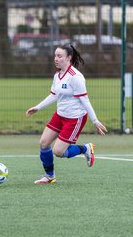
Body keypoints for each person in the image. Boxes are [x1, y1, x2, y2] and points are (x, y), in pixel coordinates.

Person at [25, 44, 108, 184]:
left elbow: (85, 100)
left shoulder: (76, 77)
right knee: (44, 143)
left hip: (75, 118)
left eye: (59, 56)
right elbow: (53, 95)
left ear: (68, 58)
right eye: (55, 56)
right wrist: (37, 107)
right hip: (60, 115)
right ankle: (49, 177)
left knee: (58, 152)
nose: (56, 59)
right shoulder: (57, 75)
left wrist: (95, 121)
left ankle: (85, 148)